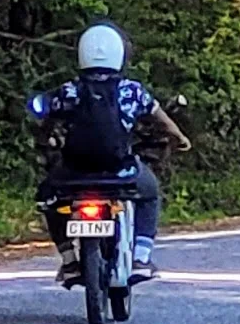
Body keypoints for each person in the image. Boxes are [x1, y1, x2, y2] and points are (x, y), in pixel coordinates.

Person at [31, 23, 189, 282]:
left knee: (50, 198)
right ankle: (141, 257)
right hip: (120, 170)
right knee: (149, 192)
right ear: (120, 54)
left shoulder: (69, 90)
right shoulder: (131, 90)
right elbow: (162, 121)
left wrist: (47, 136)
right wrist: (180, 138)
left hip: (75, 172)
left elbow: (45, 115)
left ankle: (70, 261)